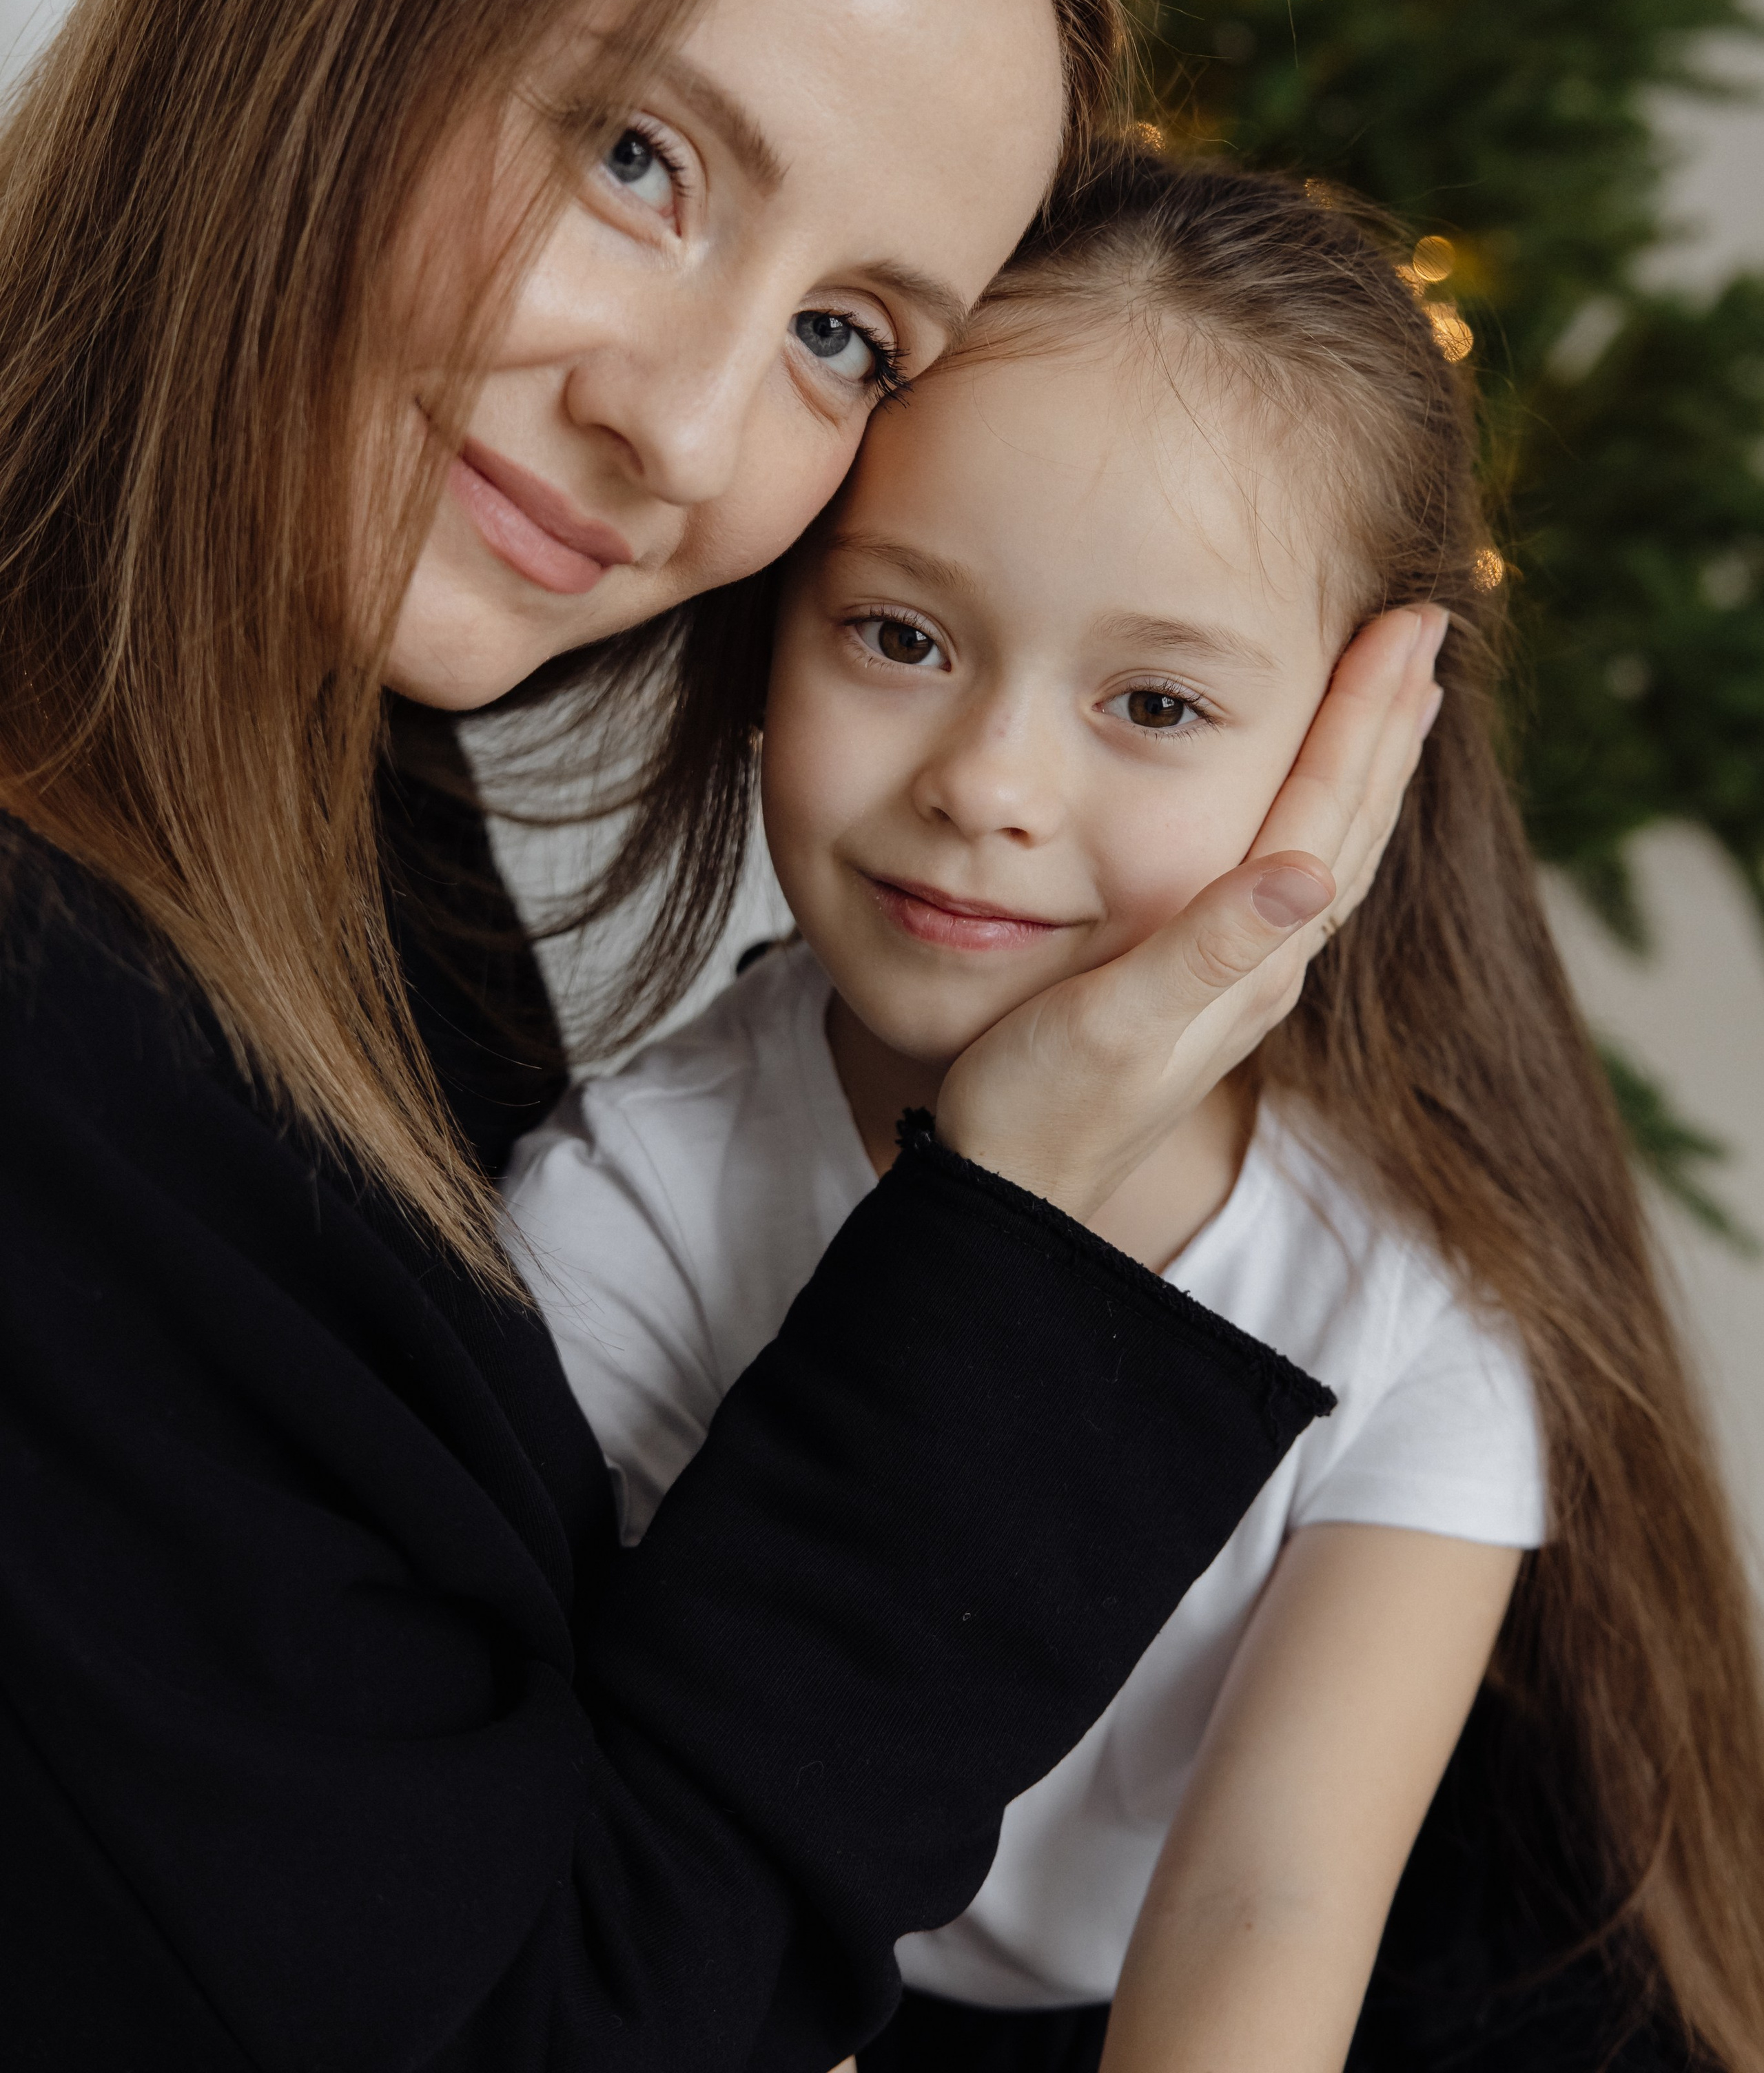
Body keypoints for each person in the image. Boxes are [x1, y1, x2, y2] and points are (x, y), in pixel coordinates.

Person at [0, 0, 1439, 2069]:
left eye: (843, 336)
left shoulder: (339, 805)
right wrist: (1016, 1216)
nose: (679, 429)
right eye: (644, 158)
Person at [506, 150, 1764, 2073]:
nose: (990, 786)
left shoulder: (1408, 1291)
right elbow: (644, 1894)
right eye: (900, 637)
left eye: (1155, 705)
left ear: (1358, 753)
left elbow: (1271, 1910)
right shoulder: (621, 1213)